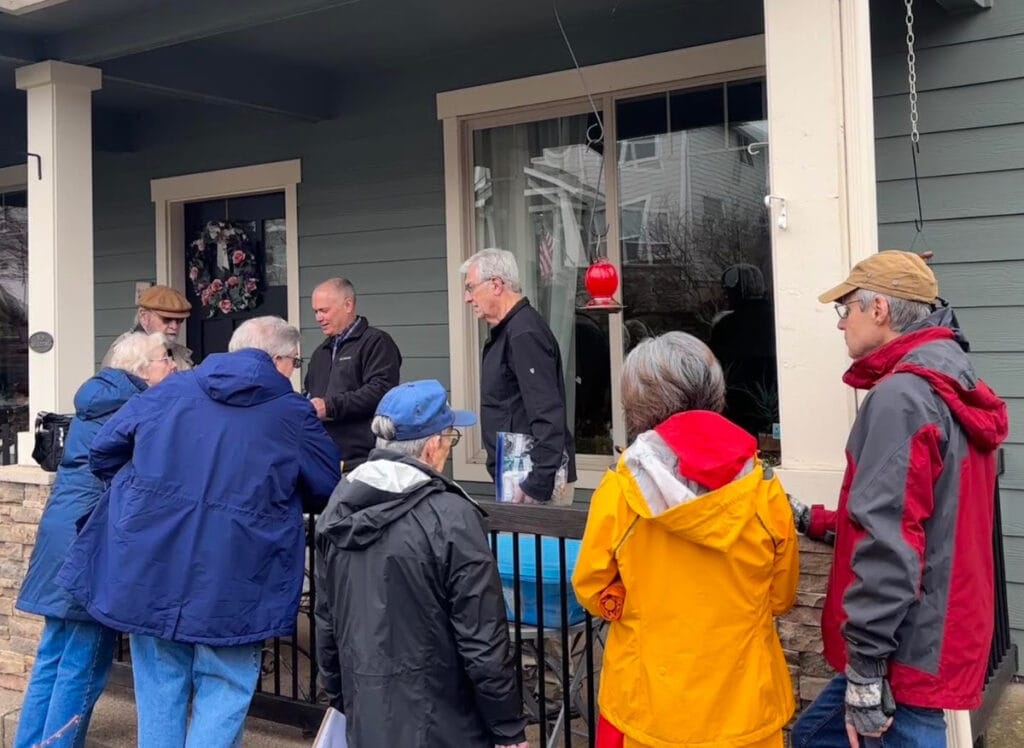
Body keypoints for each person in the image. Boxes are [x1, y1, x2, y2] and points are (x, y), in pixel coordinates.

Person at [57, 316, 340, 748]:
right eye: (295, 361)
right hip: (239, 569)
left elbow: (104, 451)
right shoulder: (291, 412)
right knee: (224, 685)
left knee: (159, 684)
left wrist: (148, 496)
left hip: (152, 561)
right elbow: (325, 485)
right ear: (280, 359)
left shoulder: (170, 389)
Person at [789, 250, 1008, 747]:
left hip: (900, 651)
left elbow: (893, 544)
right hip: (931, 632)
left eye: (847, 310)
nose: (842, 323)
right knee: (812, 736)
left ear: (880, 311)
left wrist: (866, 668)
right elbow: (926, 517)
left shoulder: (902, 397)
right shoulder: (951, 383)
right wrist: (818, 521)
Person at [572, 331, 798, 748]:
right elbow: (780, 596)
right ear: (714, 390)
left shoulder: (621, 490)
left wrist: (629, 606)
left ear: (637, 402)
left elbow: (592, 587)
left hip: (650, 706)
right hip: (745, 707)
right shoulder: (764, 488)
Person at [314, 379, 527, 748]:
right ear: (432, 447)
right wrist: (507, 727)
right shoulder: (452, 516)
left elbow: (326, 618)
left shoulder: (338, 507)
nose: (448, 448)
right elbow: (483, 642)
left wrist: (339, 694)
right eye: (449, 438)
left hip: (368, 714)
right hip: (446, 722)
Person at [15, 332, 176, 748]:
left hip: (61, 531)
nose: (172, 365)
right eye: (165, 358)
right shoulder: (139, 407)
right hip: (93, 538)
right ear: (142, 370)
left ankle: (30, 743)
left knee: (53, 652)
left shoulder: (95, 400)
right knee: (83, 659)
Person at [460, 248, 576, 503]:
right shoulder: (510, 331)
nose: (468, 298)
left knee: (532, 545)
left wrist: (536, 483)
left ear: (497, 285)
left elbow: (547, 412)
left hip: (530, 484)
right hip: (516, 477)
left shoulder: (524, 333)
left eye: (470, 288)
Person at [304, 277, 402, 470]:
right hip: (323, 460)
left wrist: (329, 407)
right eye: (315, 311)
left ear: (348, 305)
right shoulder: (320, 353)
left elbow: (381, 391)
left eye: (324, 310)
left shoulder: (376, 342)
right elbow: (309, 394)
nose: (318, 318)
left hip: (363, 461)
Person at [109, 284, 194, 370]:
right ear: (144, 316)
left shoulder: (180, 355)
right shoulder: (123, 352)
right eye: (167, 319)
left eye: (179, 320)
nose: (174, 326)